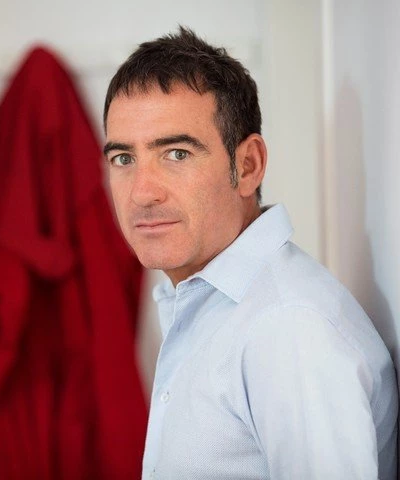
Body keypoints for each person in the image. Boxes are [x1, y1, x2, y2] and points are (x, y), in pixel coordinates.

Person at [103, 26, 398, 480]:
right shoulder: (212, 304)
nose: (142, 193)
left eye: (176, 154)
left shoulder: (287, 329)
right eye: (124, 159)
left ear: (248, 166)